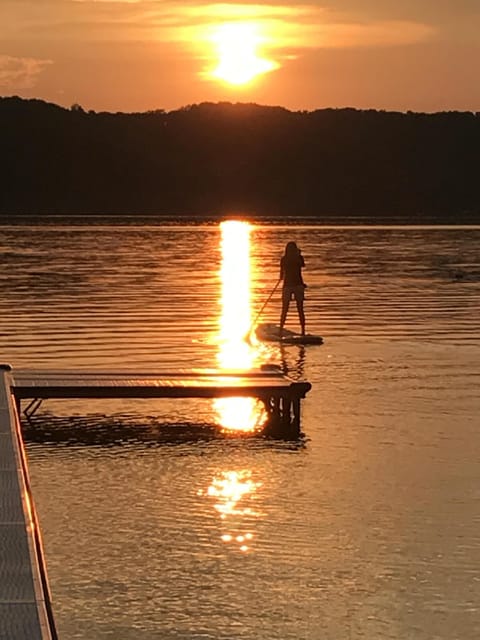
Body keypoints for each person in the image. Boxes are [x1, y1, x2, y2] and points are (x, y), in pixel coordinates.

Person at [279, 241, 306, 336]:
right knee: (300, 309)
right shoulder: (298, 258)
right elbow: (302, 265)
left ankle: (281, 329)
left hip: (291, 286)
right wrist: (299, 254)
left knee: (285, 309)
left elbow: (281, 275)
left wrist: (280, 278)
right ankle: (303, 330)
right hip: (297, 285)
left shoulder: (284, 259)